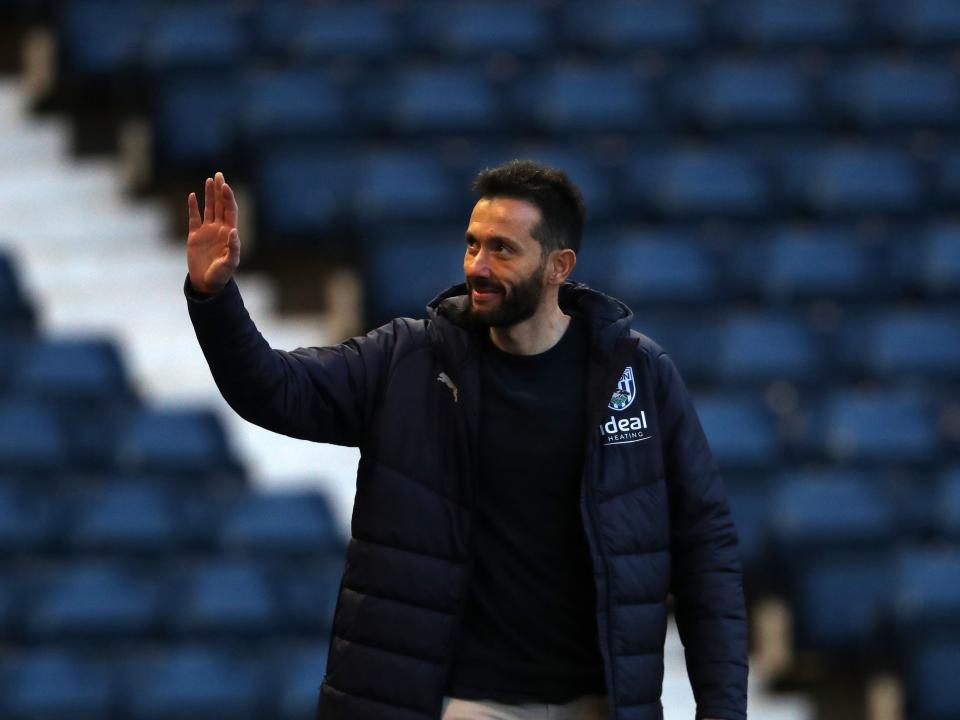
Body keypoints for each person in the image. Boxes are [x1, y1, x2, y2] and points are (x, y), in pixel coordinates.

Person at [184, 162, 748, 720]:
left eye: (502, 249)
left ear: (558, 266)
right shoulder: (405, 360)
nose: (477, 265)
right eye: (473, 244)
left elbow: (706, 549)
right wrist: (215, 297)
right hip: (468, 703)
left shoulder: (638, 373)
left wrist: (722, 709)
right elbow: (274, 390)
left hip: (603, 703)